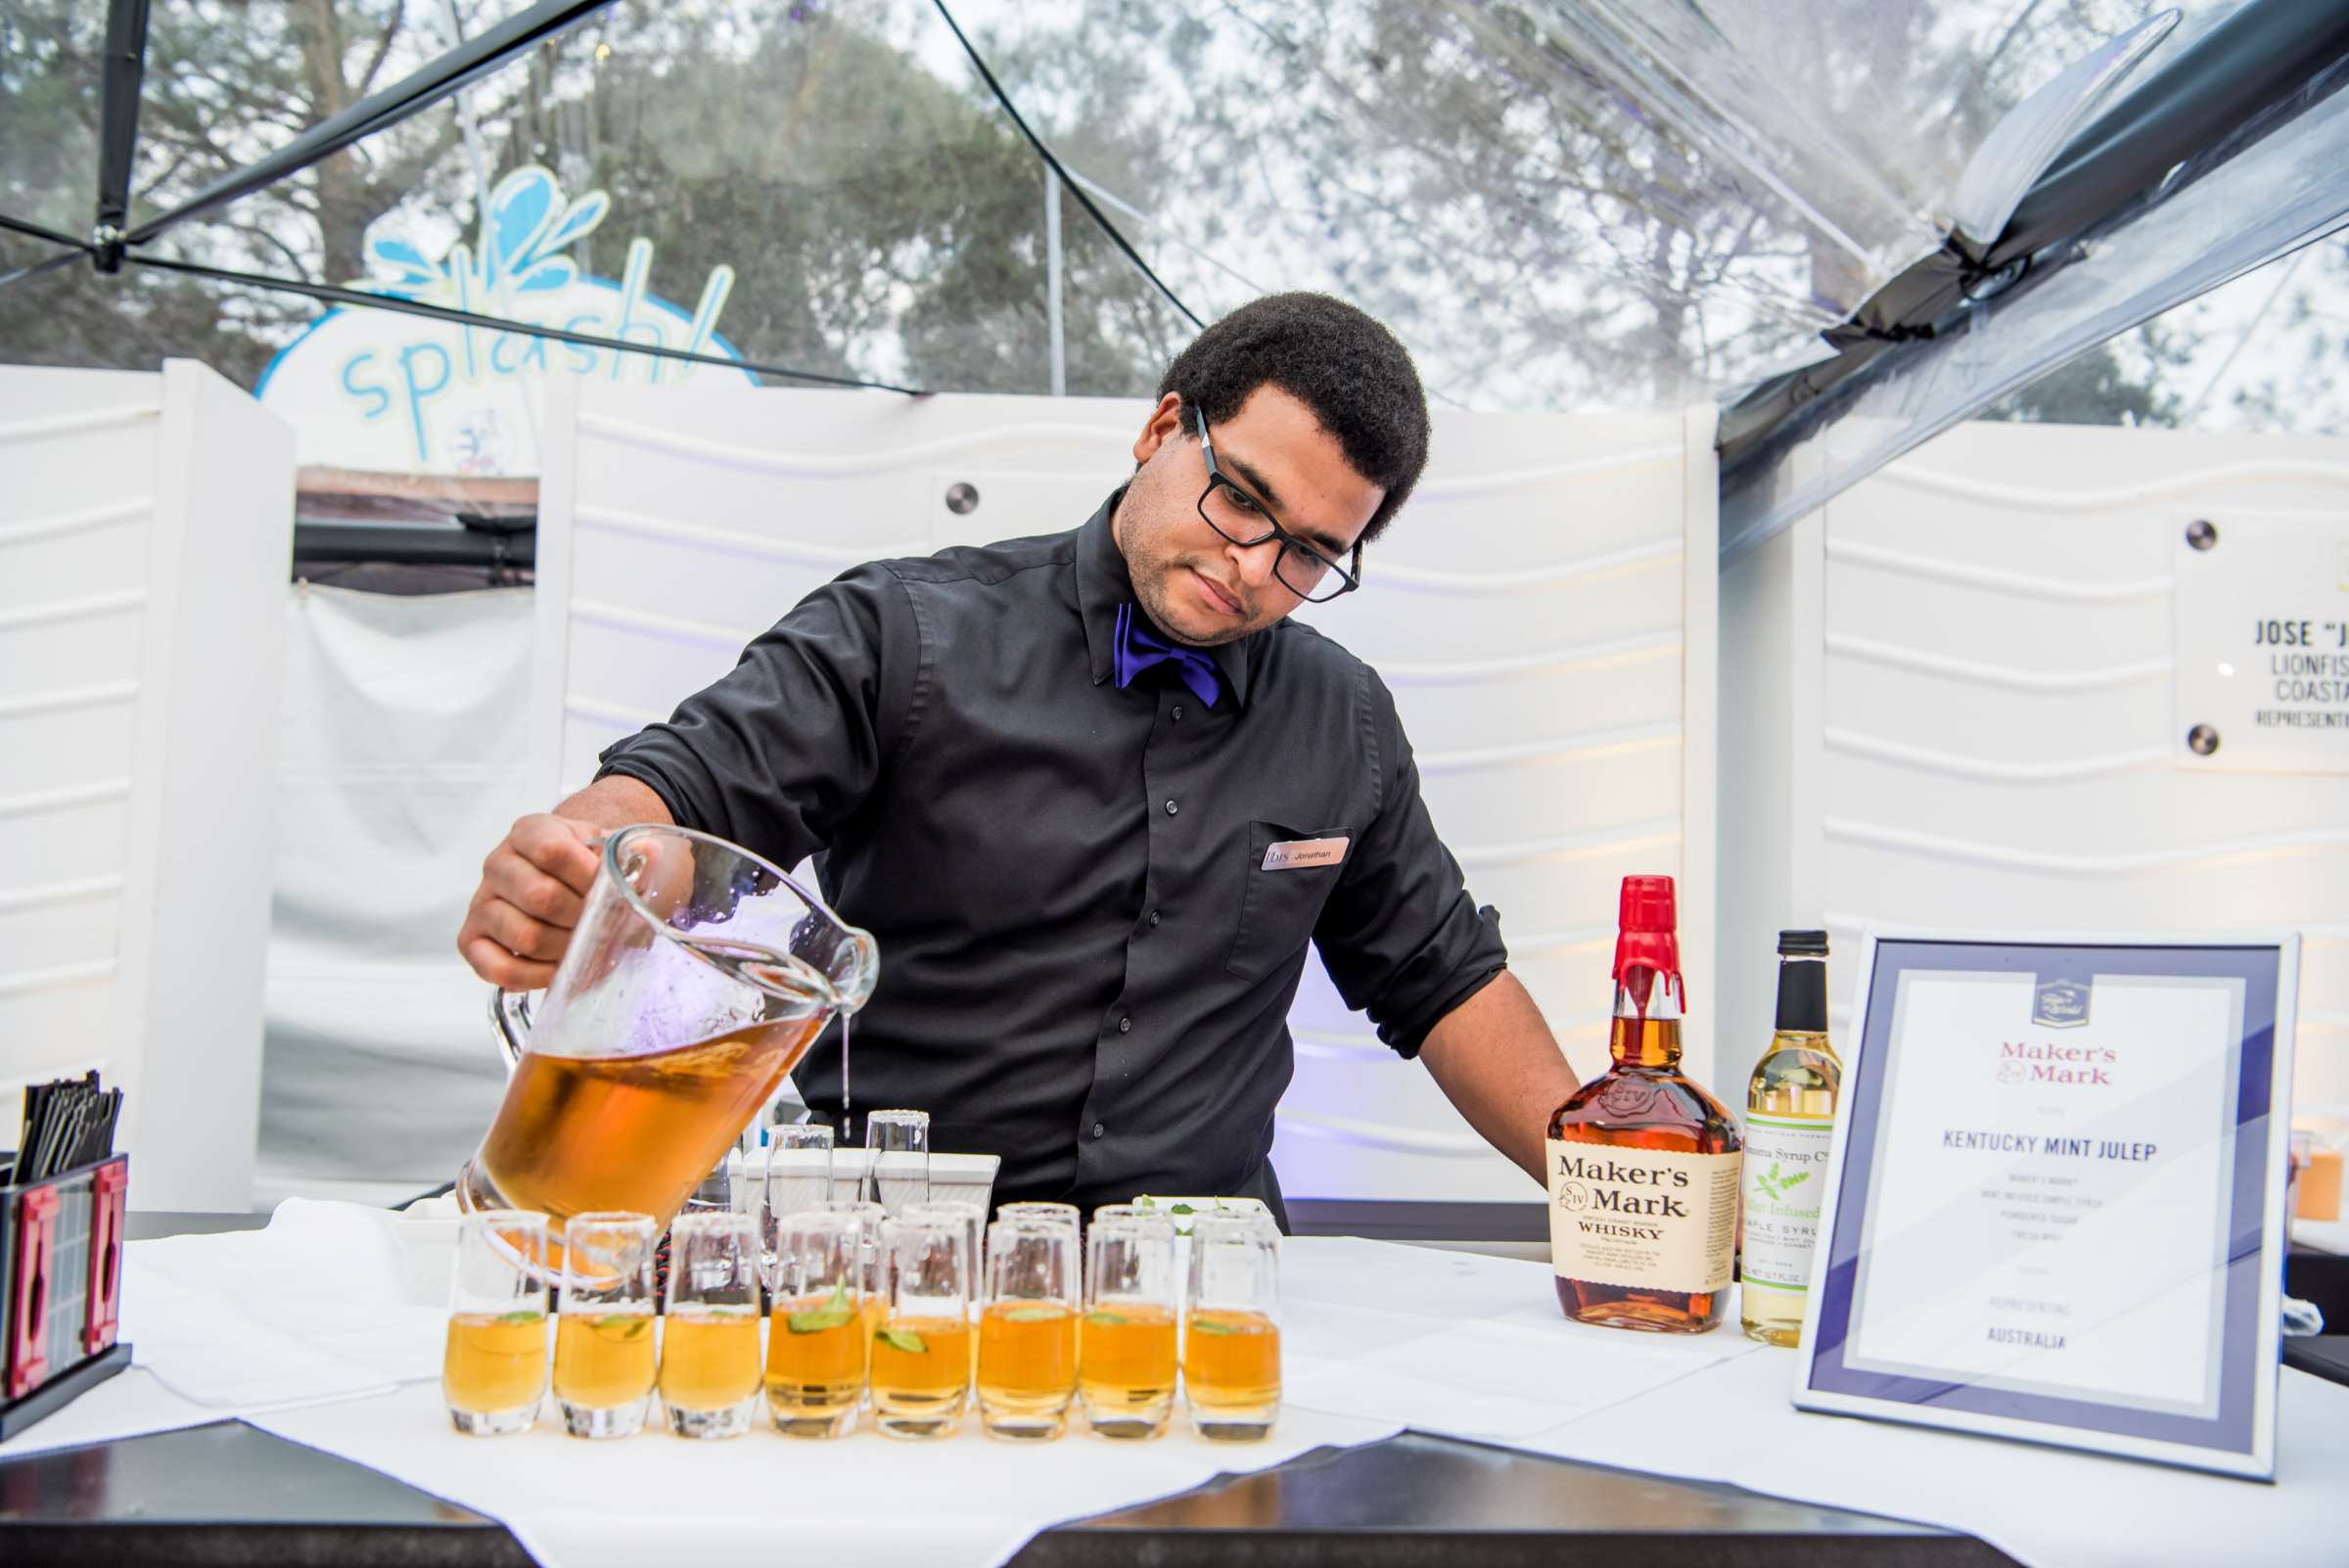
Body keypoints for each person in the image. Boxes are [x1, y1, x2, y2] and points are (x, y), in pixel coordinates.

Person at [458, 293, 1577, 1224]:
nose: (1250, 568)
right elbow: (680, 795)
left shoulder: (1347, 720)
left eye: (1308, 554)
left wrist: (1621, 1199)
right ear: (1161, 429)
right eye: (1240, 499)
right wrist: (582, 868)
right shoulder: (904, 634)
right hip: (904, 1261)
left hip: (1208, 1276)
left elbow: (1443, 980)